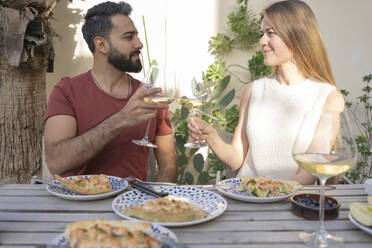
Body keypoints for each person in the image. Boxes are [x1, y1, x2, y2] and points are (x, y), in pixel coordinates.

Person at [188, 0, 344, 185]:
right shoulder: (253, 91)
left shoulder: (328, 97)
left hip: (291, 205)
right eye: (262, 34)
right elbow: (237, 158)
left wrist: (264, 192)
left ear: (297, 35)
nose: (262, 42)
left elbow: (307, 176)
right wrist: (211, 136)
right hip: (246, 198)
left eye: (271, 33)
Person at [44, 1, 177, 182]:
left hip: (132, 206)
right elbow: (57, 163)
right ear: (101, 45)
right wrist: (121, 119)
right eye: (129, 37)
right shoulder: (67, 91)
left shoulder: (150, 97)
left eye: (137, 36)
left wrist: (156, 203)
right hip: (80, 205)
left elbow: (168, 165)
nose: (139, 44)